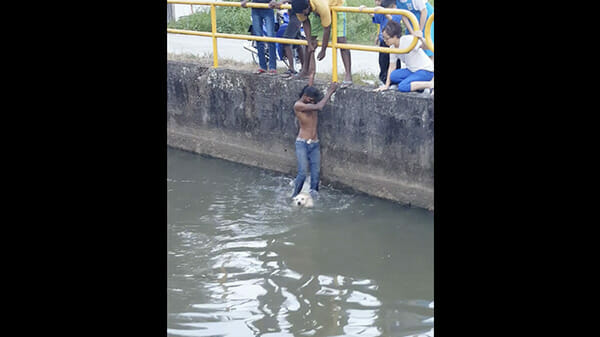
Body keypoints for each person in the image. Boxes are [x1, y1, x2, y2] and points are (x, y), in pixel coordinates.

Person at [291, 81, 338, 199]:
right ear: (305, 97)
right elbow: (319, 106)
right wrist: (330, 91)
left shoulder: (310, 101)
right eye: (311, 100)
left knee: (315, 174)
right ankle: (294, 196)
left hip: (315, 144)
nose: (313, 101)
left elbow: (311, 79)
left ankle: (314, 197)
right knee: (302, 173)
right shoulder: (298, 105)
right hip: (302, 143)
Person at [290, 0, 353, 88]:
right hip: (317, 12)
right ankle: (305, 71)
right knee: (310, 40)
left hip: (336, 5)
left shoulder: (320, 5)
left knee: (341, 40)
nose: (303, 14)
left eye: (304, 12)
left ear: (308, 6)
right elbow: (305, 22)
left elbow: (327, 28)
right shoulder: (299, 6)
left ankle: (348, 75)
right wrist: (309, 43)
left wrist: (323, 50)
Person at [374, 20, 433, 93]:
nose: (385, 41)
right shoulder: (392, 47)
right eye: (384, 38)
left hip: (425, 70)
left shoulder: (408, 40)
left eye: (387, 38)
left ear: (395, 36)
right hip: (411, 70)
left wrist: (420, 38)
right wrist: (386, 85)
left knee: (402, 86)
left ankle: (430, 84)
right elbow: (392, 66)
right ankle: (418, 85)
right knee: (393, 76)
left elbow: (427, 47)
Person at [360, 0, 402, 85]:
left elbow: (394, 21)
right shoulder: (382, 12)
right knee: (383, 62)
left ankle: (394, 82)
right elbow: (375, 17)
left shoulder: (398, 12)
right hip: (383, 42)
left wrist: (385, 12)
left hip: (393, 42)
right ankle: (383, 80)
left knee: (394, 63)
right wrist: (366, 10)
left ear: (393, 6)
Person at [268, 0, 306, 77]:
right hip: (293, 15)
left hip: (297, 15)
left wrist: (282, 1)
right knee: (297, 42)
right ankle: (304, 68)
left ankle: (292, 68)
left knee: (286, 40)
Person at [242, 0, 278, 74]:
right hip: (255, 8)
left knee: (271, 38)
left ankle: (272, 67)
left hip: (268, 6)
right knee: (258, 38)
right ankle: (262, 66)